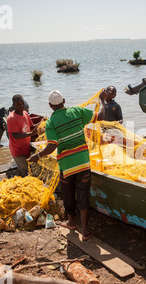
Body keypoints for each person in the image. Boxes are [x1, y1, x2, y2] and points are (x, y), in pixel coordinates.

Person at [27, 90, 106, 238]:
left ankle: (71, 222)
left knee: (68, 193)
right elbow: (100, 116)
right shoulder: (76, 111)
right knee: (83, 195)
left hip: (66, 166)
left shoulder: (50, 123)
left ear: (50, 105)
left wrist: (37, 156)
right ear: (64, 100)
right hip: (83, 163)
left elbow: (52, 146)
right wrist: (102, 100)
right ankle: (85, 231)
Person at [6, 94, 39, 177]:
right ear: (14, 105)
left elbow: (31, 127)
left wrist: (42, 123)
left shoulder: (25, 114)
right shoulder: (12, 118)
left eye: (22, 104)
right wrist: (31, 134)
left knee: (22, 170)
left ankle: (18, 181)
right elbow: (15, 135)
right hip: (17, 150)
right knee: (27, 172)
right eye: (18, 105)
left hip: (26, 147)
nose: (21, 106)